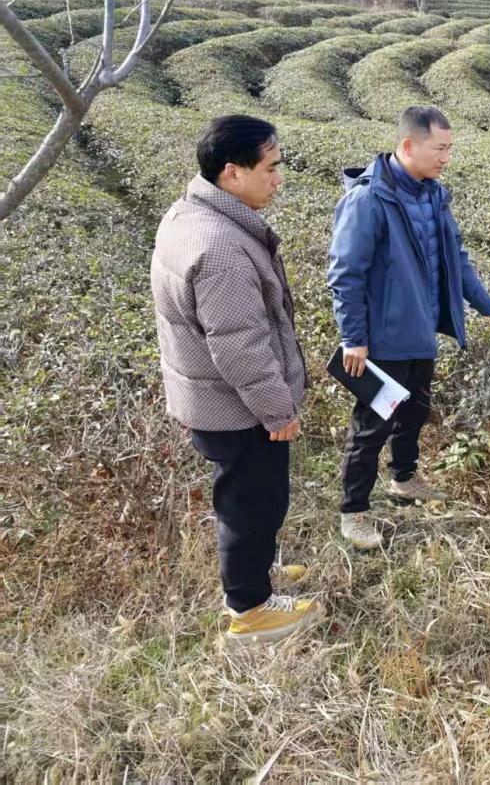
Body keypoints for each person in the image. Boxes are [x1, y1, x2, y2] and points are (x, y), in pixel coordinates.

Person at [150, 114, 318, 643]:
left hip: (212, 399)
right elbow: (240, 347)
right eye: (270, 168)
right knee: (251, 506)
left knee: (249, 500)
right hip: (237, 409)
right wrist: (278, 411)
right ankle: (251, 610)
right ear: (231, 172)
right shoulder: (221, 248)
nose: (278, 179)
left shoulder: (191, 212)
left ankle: (257, 571)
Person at [328, 105, 490, 549]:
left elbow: (456, 257)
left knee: (414, 412)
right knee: (372, 425)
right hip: (382, 339)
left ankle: (404, 480)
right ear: (408, 146)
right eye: (439, 148)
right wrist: (354, 338)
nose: (446, 157)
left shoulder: (434, 194)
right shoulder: (368, 200)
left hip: (421, 330)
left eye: (450, 148)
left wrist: (485, 304)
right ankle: (353, 512)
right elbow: (346, 274)